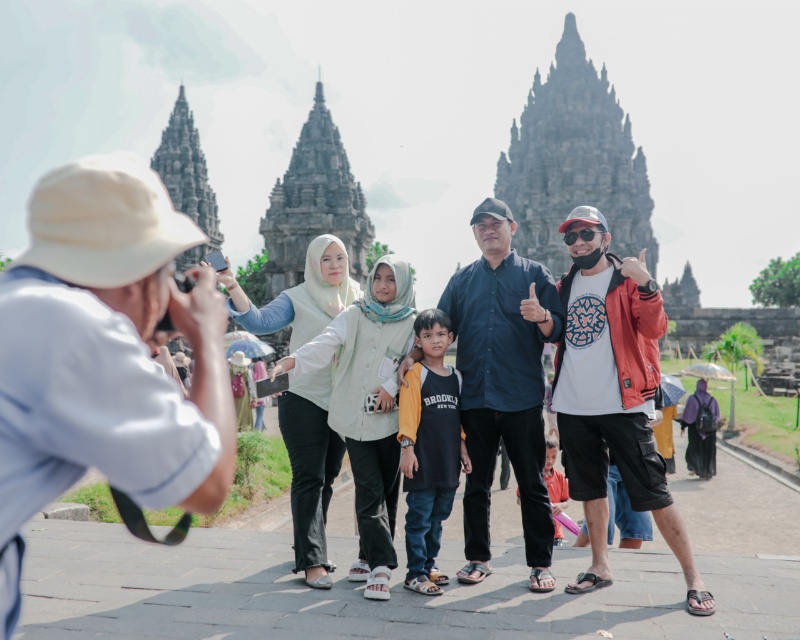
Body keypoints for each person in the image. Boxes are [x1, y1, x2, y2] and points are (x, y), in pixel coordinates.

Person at [0, 152, 237, 639]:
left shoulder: (20, 305)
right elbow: (208, 485)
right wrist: (209, 340)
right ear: (135, 270)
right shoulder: (73, 328)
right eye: (163, 273)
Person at [550, 205, 715, 616]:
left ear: (606, 238)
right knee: (589, 488)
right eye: (571, 236)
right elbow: (558, 334)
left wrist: (647, 284)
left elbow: (655, 328)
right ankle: (599, 565)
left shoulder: (627, 280)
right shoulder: (562, 286)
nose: (579, 242)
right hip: (573, 405)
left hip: (623, 404)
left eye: (588, 234)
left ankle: (694, 577)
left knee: (653, 489)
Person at [402, 197, 564, 593]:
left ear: (513, 228)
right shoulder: (462, 281)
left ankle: (540, 564)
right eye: (481, 227)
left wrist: (541, 316)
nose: (489, 231)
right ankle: (478, 558)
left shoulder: (535, 274)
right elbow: (434, 327)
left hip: (521, 398)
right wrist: (410, 357)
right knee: (477, 485)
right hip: (473, 398)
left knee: (532, 483)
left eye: (496, 224)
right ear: (474, 234)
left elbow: (558, 329)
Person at [213, 234, 361, 589]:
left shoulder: (360, 297)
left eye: (340, 257)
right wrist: (231, 283)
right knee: (309, 477)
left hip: (341, 400)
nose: (335, 265)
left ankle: (312, 546)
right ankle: (312, 561)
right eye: (326, 259)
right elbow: (260, 321)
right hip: (303, 396)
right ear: (313, 263)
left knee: (327, 478)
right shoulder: (298, 296)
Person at [270, 255, 417, 601]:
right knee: (368, 491)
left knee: (387, 492)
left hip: (392, 421)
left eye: (391, 279)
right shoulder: (355, 314)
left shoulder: (412, 321)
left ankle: (367, 556)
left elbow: (417, 356)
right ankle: (383, 566)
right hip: (354, 418)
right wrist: (293, 361)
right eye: (378, 277)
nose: (382, 285)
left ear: (404, 284)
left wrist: (392, 388)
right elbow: (326, 343)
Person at [397, 309, 472, 596]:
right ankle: (414, 573)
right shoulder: (415, 373)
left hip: (447, 460)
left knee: (438, 516)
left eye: (441, 334)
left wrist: (463, 448)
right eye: (428, 336)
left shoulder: (456, 377)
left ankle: (429, 564)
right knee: (419, 517)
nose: (436, 340)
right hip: (422, 459)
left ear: (451, 338)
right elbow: (408, 412)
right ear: (418, 341)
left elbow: (459, 419)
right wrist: (407, 447)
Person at [517, 437, 569, 546]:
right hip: (534, 530)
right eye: (546, 457)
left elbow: (566, 501)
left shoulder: (560, 477)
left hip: (556, 533)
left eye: (554, 457)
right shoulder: (530, 476)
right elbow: (519, 499)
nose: (550, 461)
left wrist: (560, 506)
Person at [679, 379, 719, 481]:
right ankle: (708, 471)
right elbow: (717, 416)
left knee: (694, 448)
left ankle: (696, 468)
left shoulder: (692, 399)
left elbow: (687, 415)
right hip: (709, 430)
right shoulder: (712, 400)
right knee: (708, 450)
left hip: (695, 429)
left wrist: (683, 426)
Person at [229, 350, 256, 432]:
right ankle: (243, 432)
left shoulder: (229, 371)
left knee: (232, 415)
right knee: (244, 415)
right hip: (244, 396)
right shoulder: (247, 371)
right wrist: (254, 398)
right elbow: (251, 386)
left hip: (231, 397)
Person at [251, 357, 269, 433]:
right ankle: (258, 431)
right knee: (260, 415)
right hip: (263, 398)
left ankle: (261, 429)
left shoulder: (253, 376)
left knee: (259, 414)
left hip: (256, 397)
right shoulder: (265, 378)